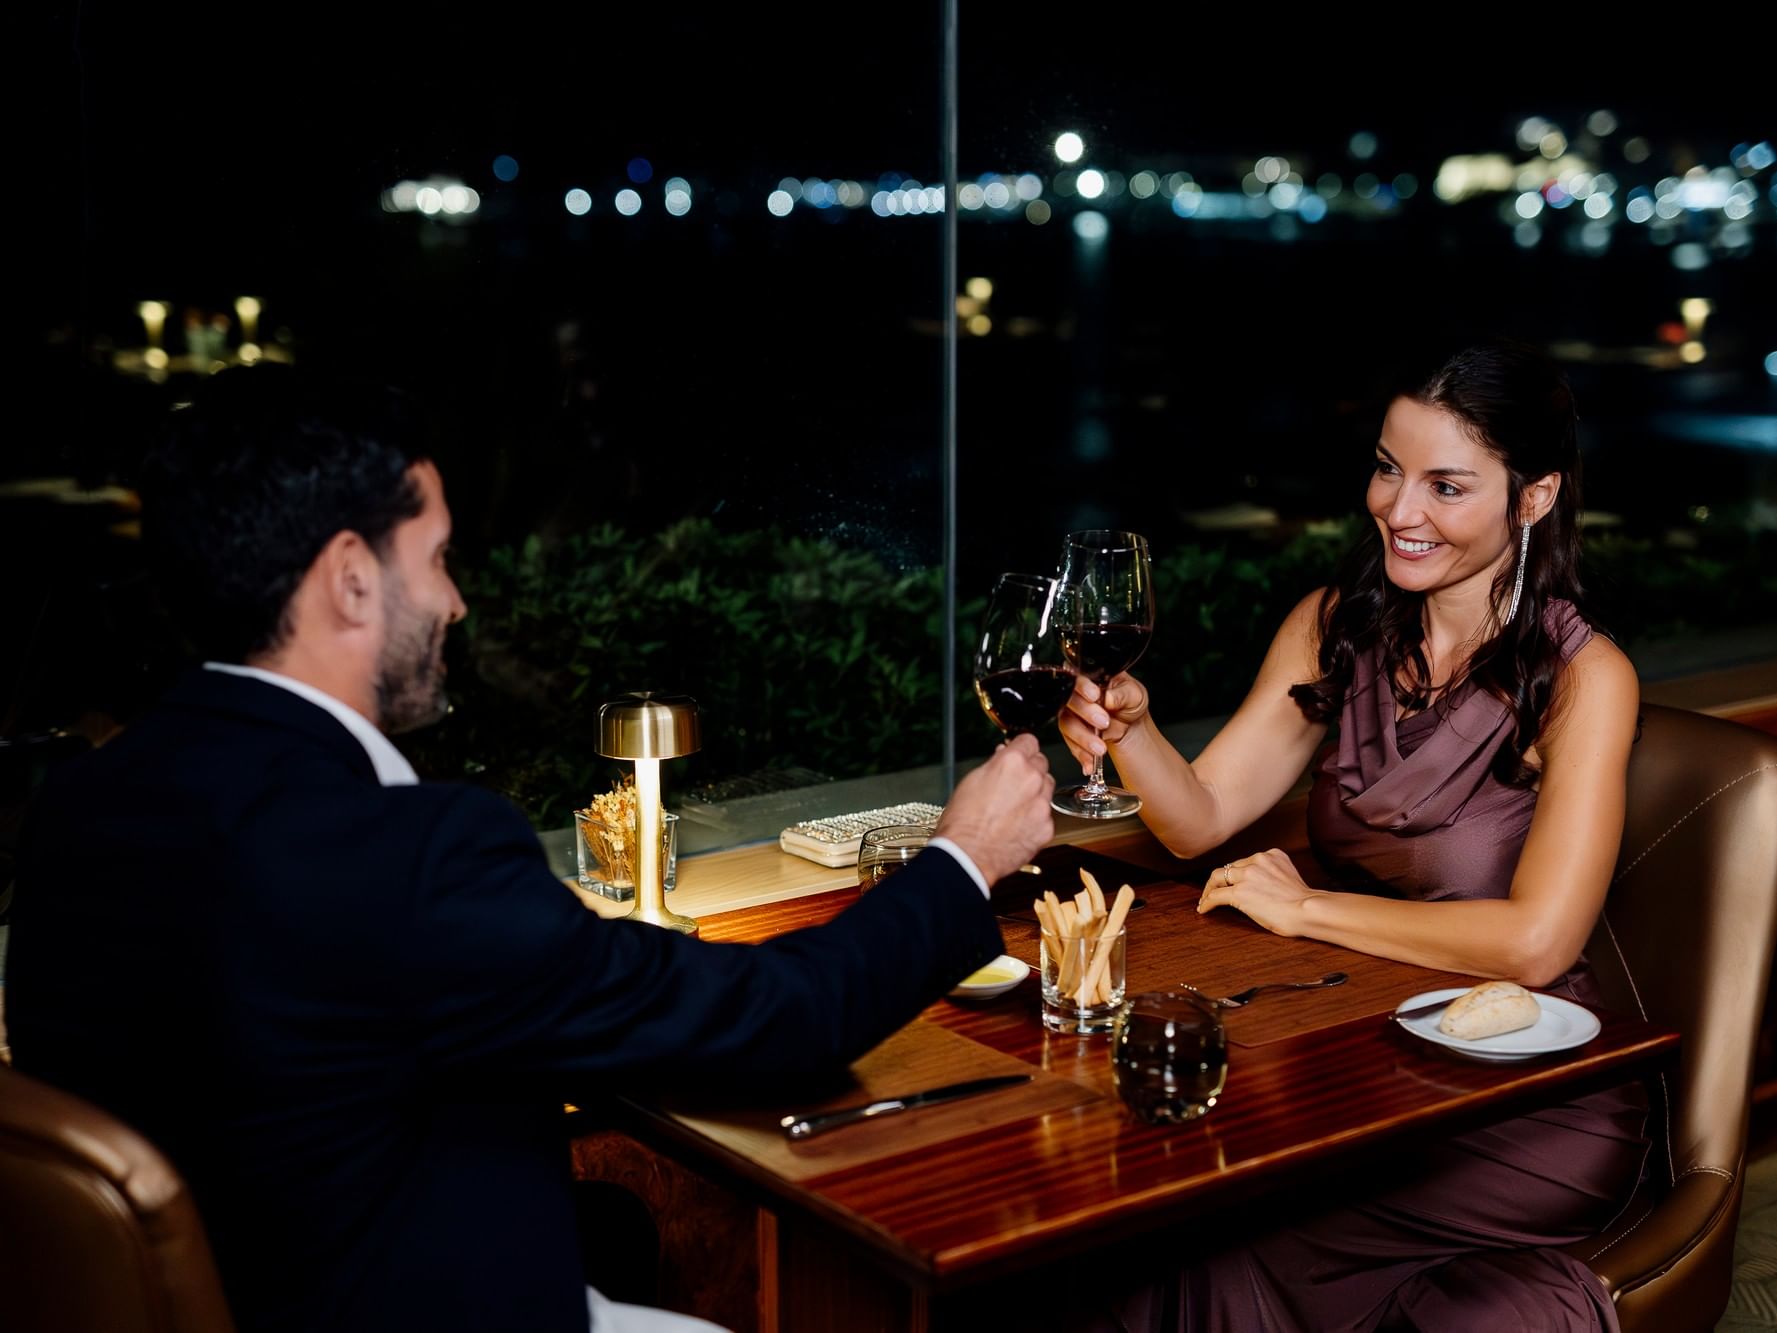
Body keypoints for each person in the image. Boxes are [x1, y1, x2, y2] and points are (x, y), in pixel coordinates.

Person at [7, 366, 1056, 1333]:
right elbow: (783, 1021)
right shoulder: (414, 859)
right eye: (438, 559)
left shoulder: (86, 802)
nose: (456, 601)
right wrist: (963, 855)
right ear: (350, 580)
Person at [1061, 340, 1645, 1331]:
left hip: (1522, 1102)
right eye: (1387, 467)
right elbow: (1197, 814)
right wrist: (1132, 727)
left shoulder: (1586, 678)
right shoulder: (1333, 624)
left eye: (1446, 485)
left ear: (1534, 496)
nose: (1398, 510)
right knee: (1158, 1218)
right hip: (1371, 1061)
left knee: (1202, 1234)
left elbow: (1540, 941)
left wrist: (1305, 909)